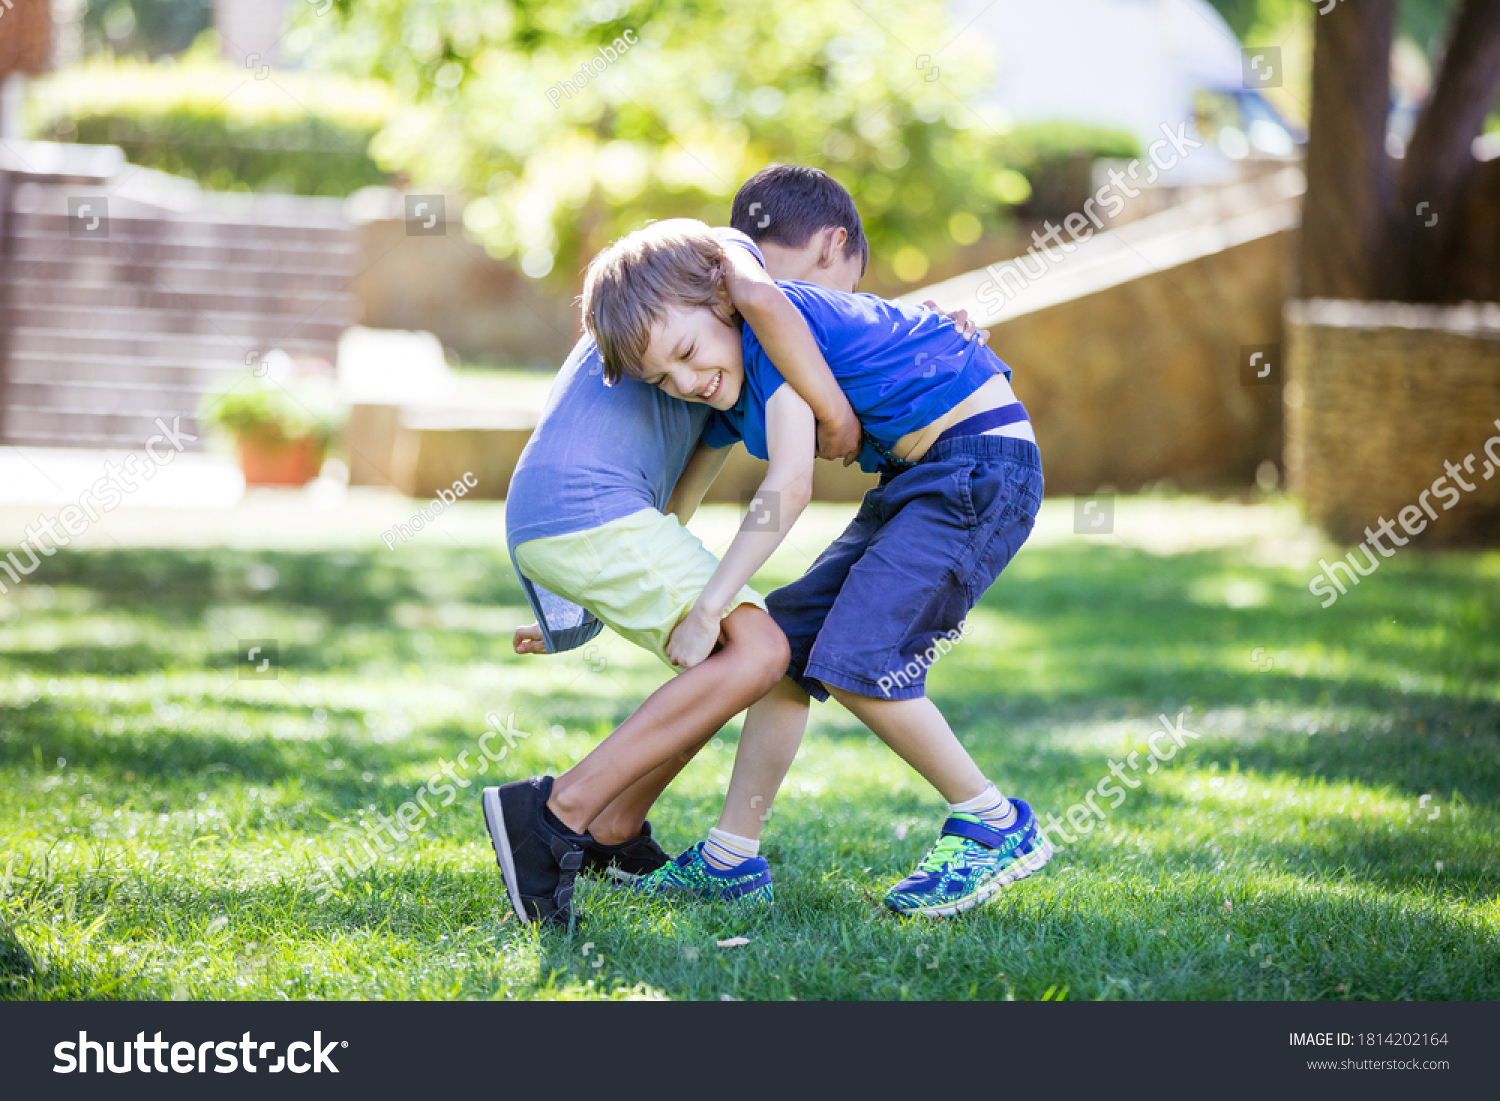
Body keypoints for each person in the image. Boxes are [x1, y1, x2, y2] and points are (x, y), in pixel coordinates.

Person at [488, 167, 980, 924]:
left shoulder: (705, 337)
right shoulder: (712, 263)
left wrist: (922, 328)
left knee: (736, 656)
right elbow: (776, 327)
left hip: (570, 511)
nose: (810, 318)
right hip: (582, 505)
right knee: (758, 651)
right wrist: (835, 414)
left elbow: (669, 509)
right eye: (828, 295)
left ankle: (614, 829)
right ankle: (556, 813)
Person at [582, 216, 1050, 918]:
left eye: (685, 351)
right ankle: (730, 857)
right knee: (786, 648)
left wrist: (711, 605)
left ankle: (993, 820)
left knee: (860, 655)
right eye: (662, 377)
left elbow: (787, 489)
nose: (686, 380)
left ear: (725, 304)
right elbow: (670, 516)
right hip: (918, 480)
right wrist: (585, 603)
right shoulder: (728, 387)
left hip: (979, 468)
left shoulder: (771, 331)